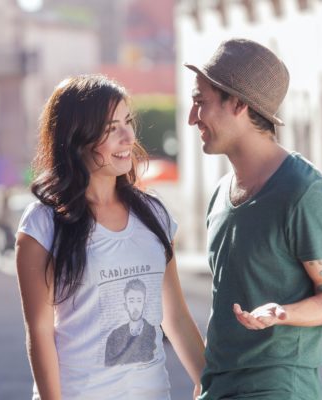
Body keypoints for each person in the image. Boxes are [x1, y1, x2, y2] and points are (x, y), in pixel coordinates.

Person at [15, 74, 205, 400]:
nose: (128, 137)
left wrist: (211, 383)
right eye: (111, 127)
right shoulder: (43, 224)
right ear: (77, 136)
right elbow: (40, 331)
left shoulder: (155, 214)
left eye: (128, 122)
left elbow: (175, 316)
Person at [185, 38, 322, 399]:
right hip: (218, 387)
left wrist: (282, 313)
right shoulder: (220, 193)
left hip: (278, 389)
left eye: (200, 102)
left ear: (238, 103)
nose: (192, 117)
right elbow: (225, 302)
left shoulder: (304, 192)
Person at [104, 278, 156, 366]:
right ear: (125, 305)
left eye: (139, 301)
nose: (135, 307)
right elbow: (108, 367)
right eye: (131, 301)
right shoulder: (114, 336)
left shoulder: (153, 332)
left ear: (144, 304)